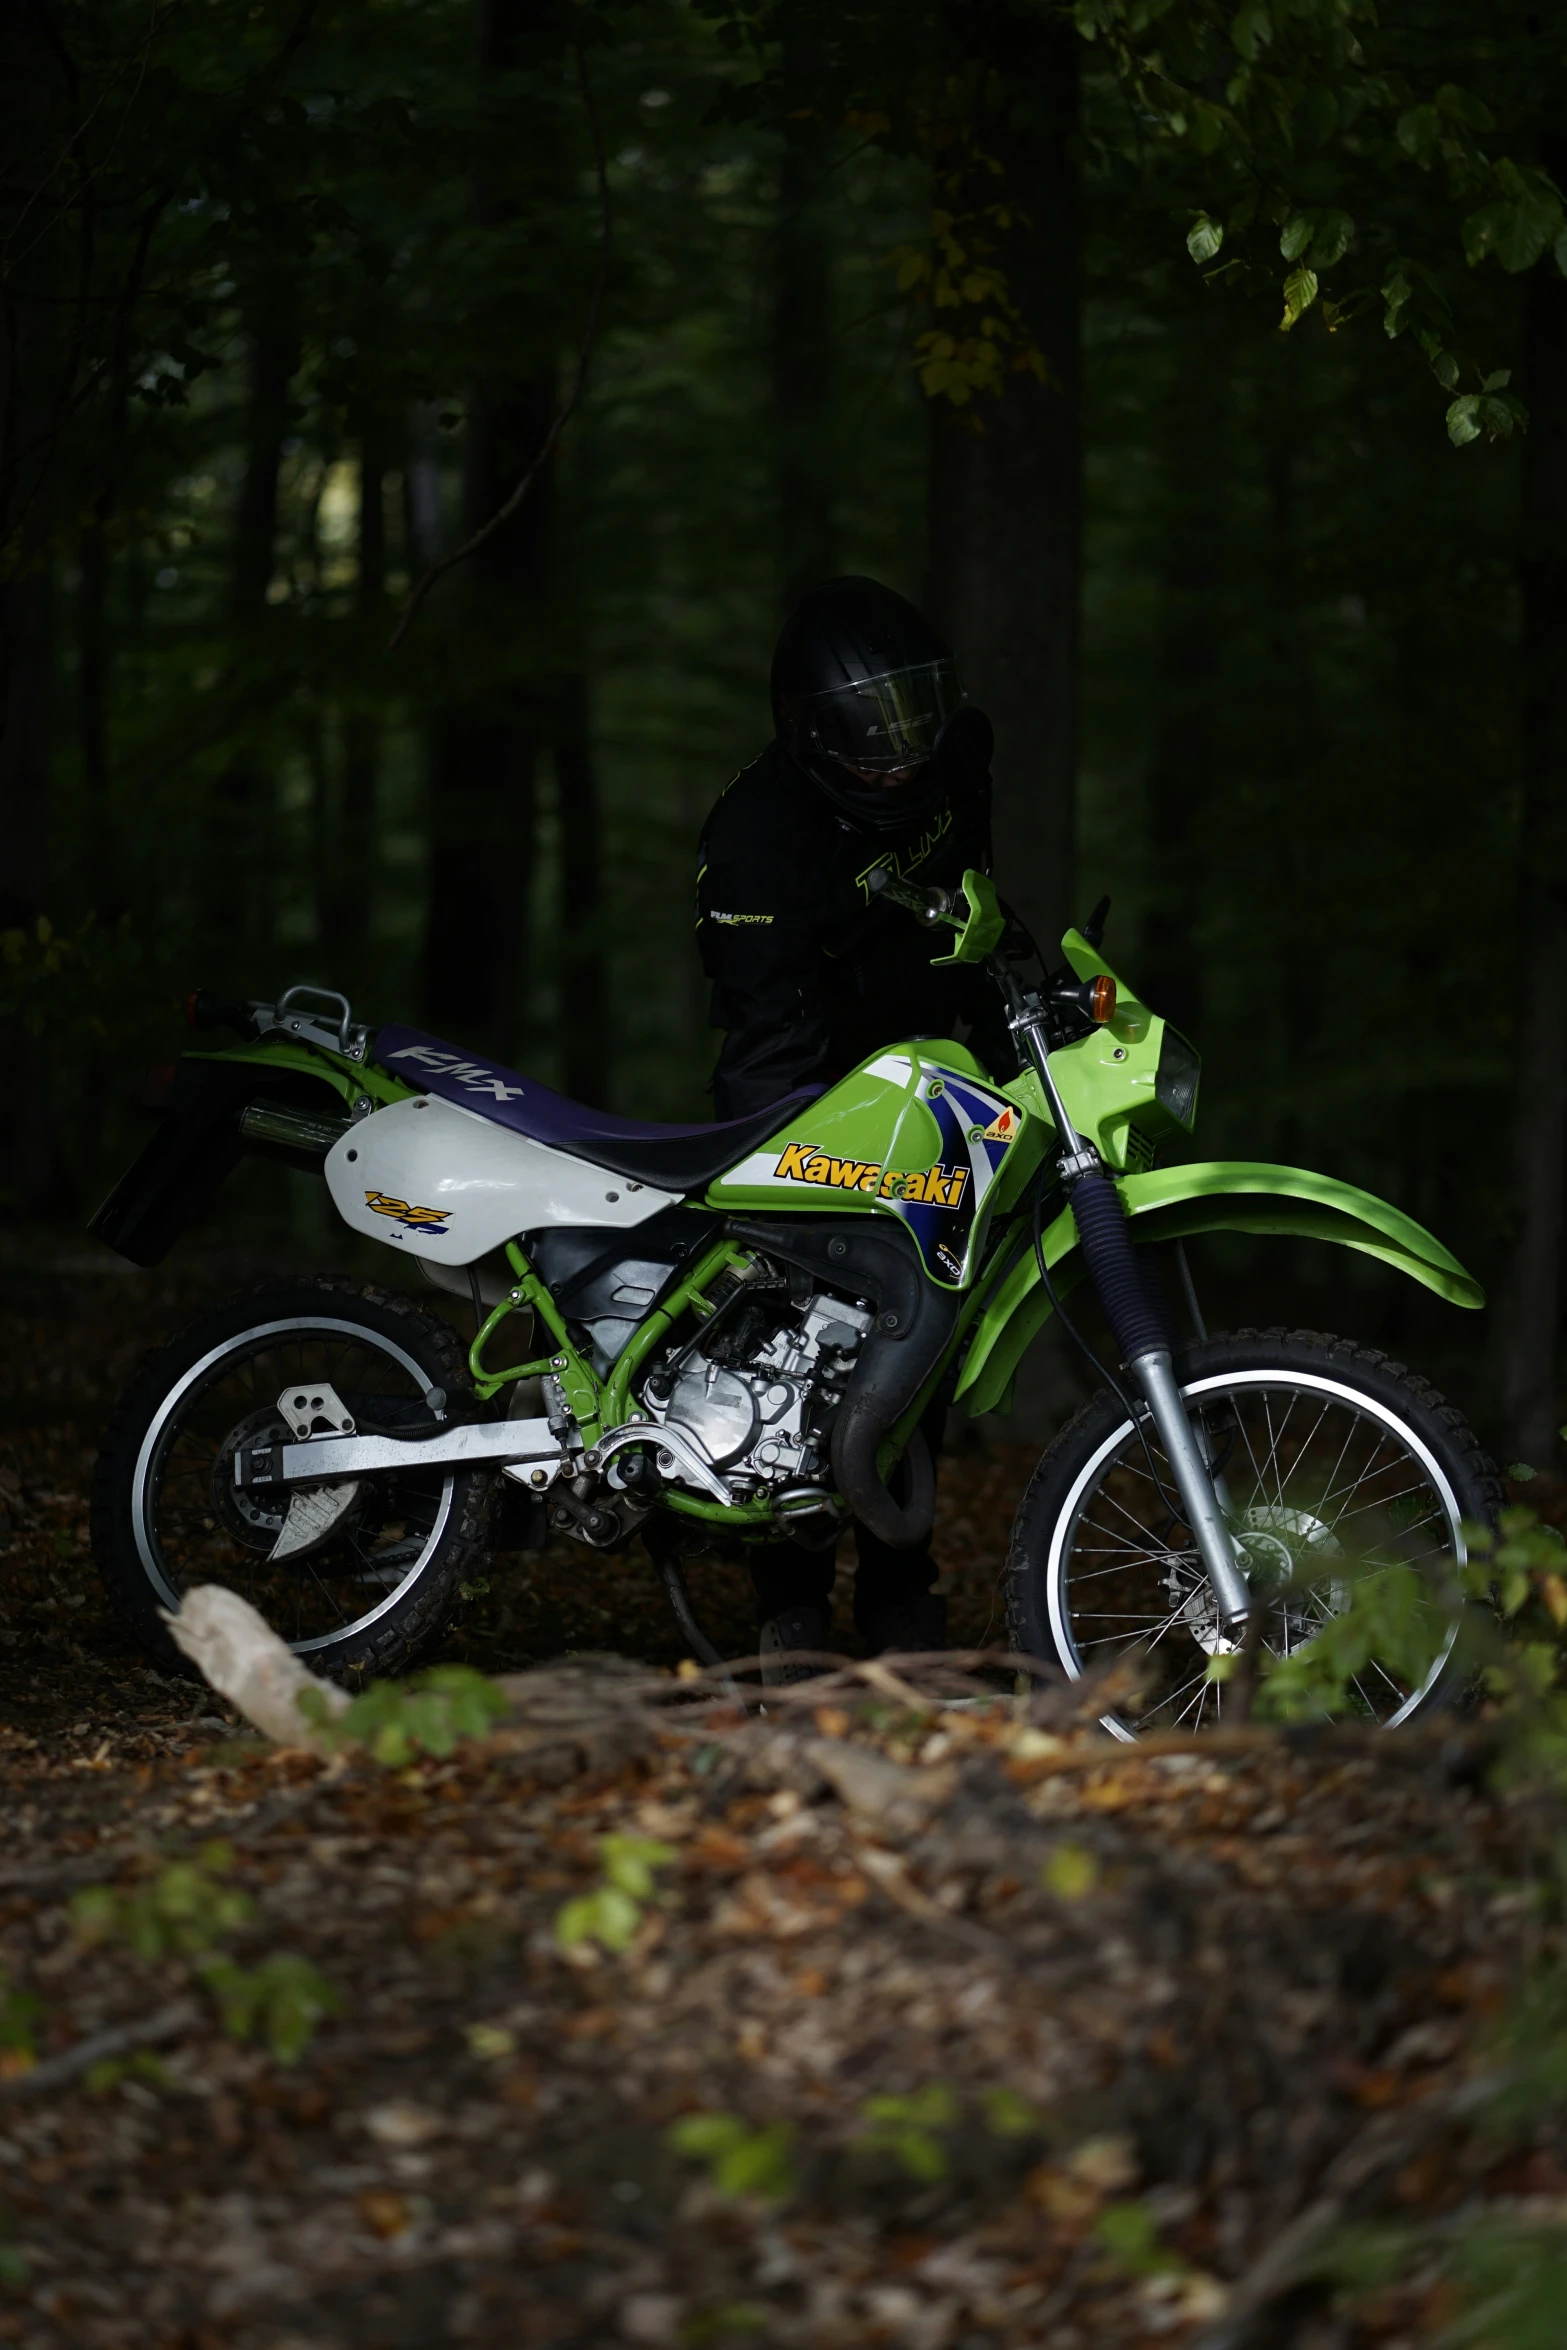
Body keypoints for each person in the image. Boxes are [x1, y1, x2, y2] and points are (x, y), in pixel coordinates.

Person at [695, 575, 1006, 1673]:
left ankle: (898, 1587)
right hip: (797, 1079)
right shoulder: (754, 839)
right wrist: (813, 1187)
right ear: (813, 733)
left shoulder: (955, 759)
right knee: (802, 1338)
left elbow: (976, 893)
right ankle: (787, 1601)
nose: (903, 755)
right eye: (876, 739)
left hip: (936, 1062)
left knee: (921, 1336)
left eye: (915, 719)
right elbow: (763, 1039)